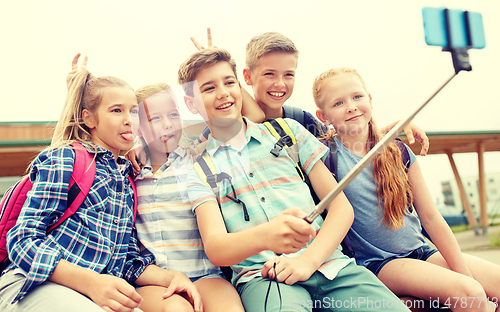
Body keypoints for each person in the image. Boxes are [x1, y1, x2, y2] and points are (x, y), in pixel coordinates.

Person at [178, 47, 413, 312]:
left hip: (332, 267)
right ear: (190, 103)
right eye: (208, 88)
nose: (223, 92)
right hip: (265, 279)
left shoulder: (288, 132)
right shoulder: (199, 170)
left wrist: (307, 261)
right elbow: (216, 246)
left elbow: (340, 208)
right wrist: (265, 236)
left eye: (229, 82)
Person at [0, 66, 202, 312]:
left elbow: (125, 261)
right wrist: (91, 283)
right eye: (116, 111)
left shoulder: (127, 180)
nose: (129, 119)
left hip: (95, 293)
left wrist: (171, 277)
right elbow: (22, 241)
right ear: (89, 119)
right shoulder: (67, 158)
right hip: (33, 284)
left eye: (134, 111)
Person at [312, 67, 500, 312]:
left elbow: (431, 218)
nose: (350, 106)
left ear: (370, 99)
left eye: (357, 97)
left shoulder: (398, 151)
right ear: (323, 116)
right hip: (379, 263)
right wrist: (469, 284)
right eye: (338, 103)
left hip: (421, 250)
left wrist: (464, 272)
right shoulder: (323, 157)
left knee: (490, 283)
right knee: (470, 294)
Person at [191, 28, 430, 155]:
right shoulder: (233, 124)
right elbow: (258, 119)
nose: (280, 84)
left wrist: (397, 126)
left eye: (288, 75)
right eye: (269, 74)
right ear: (246, 77)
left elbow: (348, 139)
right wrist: (224, 73)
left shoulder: (301, 119)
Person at [132, 82, 245, 312]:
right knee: (176, 310)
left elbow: (242, 119)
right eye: (155, 119)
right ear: (138, 127)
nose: (167, 124)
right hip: (155, 280)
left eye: (173, 115)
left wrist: (210, 65)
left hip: (205, 275)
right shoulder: (129, 170)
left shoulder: (197, 157)